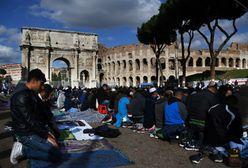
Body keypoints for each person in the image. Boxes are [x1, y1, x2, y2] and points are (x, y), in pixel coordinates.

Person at [10, 69, 62, 164]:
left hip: (33, 130)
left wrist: (50, 130)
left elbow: (41, 112)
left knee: (56, 146)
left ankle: (30, 147)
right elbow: (31, 121)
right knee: (56, 155)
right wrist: (47, 136)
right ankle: (23, 150)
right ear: (34, 81)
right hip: (25, 134)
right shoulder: (21, 96)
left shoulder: (31, 93)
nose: (42, 87)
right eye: (41, 83)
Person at [190, 95, 243, 164]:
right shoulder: (233, 113)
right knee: (236, 140)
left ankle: (217, 153)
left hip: (208, 137)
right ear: (234, 103)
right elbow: (238, 132)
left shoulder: (213, 107)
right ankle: (233, 158)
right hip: (221, 139)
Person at [185, 81, 219, 151]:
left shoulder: (195, 95)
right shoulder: (213, 97)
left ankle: (191, 141)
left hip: (191, 122)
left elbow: (188, 107)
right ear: (214, 88)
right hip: (202, 124)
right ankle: (200, 143)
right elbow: (215, 112)